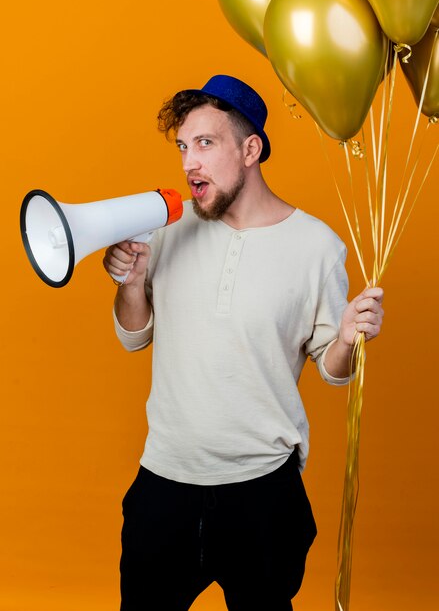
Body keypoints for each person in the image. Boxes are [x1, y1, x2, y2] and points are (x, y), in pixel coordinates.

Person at [103, 75, 384, 611]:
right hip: (164, 484)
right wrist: (131, 284)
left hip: (262, 495)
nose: (190, 163)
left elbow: (334, 368)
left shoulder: (317, 247)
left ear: (250, 149)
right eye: (184, 147)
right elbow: (132, 335)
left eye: (206, 144)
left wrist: (346, 336)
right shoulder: (168, 228)